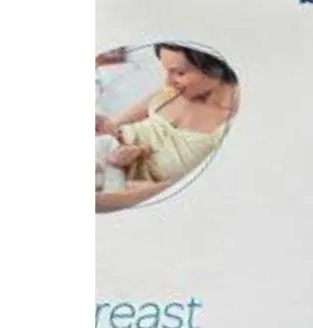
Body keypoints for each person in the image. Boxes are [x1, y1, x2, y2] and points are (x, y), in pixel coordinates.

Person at [95, 43, 239, 212]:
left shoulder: (229, 129)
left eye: (179, 73)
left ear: (215, 68)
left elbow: (189, 190)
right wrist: (104, 127)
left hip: (126, 189)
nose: (168, 81)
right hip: (103, 152)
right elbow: (113, 124)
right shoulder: (172, 91)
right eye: (167, 71)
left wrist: (152, 189)